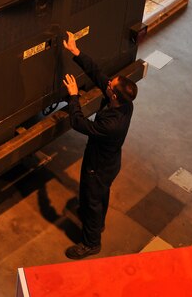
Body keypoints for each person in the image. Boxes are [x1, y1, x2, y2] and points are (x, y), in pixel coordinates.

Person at [61, 30, 138, 260]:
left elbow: (78, 122)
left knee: (92, 199)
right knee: (99, 195)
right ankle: (97, 223)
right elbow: (98, 74)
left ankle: (91, 242)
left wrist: (73, 96)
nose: (107, 82)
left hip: (98, 165)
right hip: (109, 163)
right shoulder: (124, 104)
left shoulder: (111, 125)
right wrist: (76, 52)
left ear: (113, 95)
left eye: (110, 85)